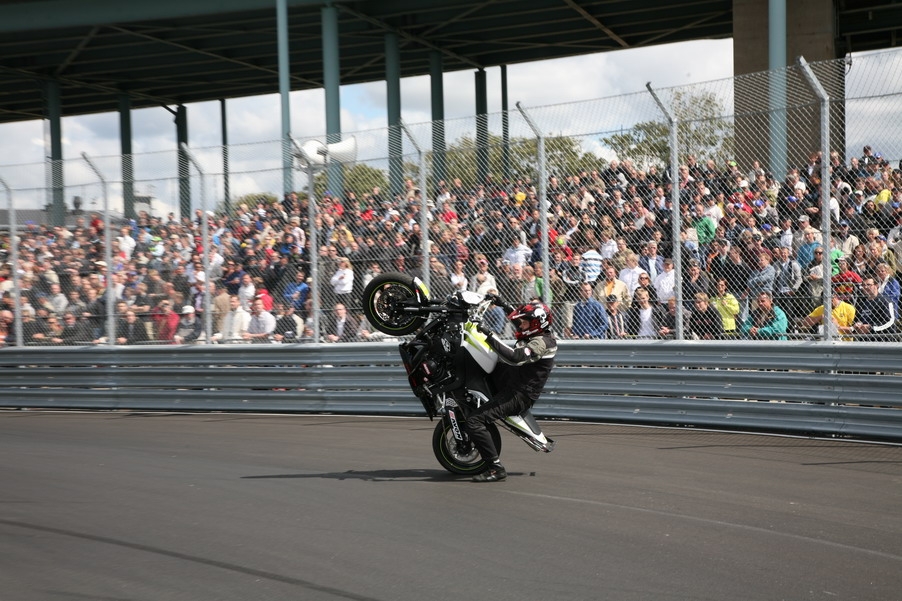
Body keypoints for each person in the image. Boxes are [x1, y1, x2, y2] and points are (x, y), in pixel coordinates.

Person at [471, 299, 557, 482]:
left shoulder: (542, 343)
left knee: (474, 421)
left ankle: (495, 468)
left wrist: (488, 335)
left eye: (525, 323)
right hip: (512, 382)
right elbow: (518, 320)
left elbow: (515, 357)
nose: (521, 325)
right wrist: (502, 304)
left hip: (519, 395)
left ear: (535, 324)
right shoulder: (535, 332)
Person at [852, 277, 896, 341]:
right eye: (863, 285)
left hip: (882, 339)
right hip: (864, 341)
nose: (865, 287)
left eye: (868, 285)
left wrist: (871, 327)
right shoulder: (861, 303)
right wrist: (857, 326)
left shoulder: (885, 301)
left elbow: (890, 321)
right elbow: (856, 320)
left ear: (876, 285)